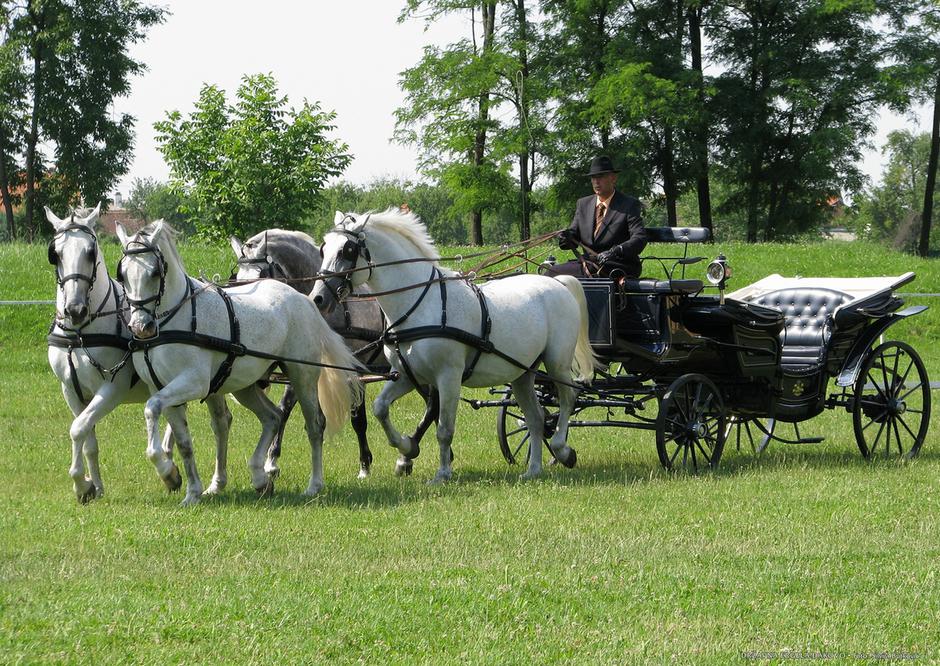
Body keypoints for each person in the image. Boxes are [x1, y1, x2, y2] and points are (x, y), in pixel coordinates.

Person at [548, 155, 647, 279]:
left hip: (619, 264)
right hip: (589, 263)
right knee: (551, 273)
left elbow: (639, 238)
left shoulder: (628, 204)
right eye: (593, 178)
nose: (596, 181)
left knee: (557, 274)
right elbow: (574, 234)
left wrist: (616, 251)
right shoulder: (583, 204)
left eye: (600, 177)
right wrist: (566, 238)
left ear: (613, 178)